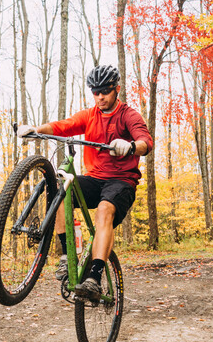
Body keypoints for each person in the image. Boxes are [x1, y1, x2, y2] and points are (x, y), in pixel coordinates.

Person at [16, 64, 153, 300]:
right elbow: (63, 126)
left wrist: (130, 147)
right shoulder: (90, 115)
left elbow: (145, 142)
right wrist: (34, 129)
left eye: (105, 92)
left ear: (116, 89)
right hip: (94, 179)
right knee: (60, 190)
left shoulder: (129, 115)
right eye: (95, 92)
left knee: (104, 210)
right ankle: (68, 255)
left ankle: (95, 277)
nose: (100, 97)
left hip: (121, 182)